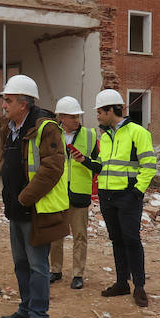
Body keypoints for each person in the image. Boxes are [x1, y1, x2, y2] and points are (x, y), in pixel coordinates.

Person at [0, 75, 69, 318]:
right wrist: (9, 199)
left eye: (8, 100)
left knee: (38, 266)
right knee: (20, 262)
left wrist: (24, 199)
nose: (3, 105)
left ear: (23, 104)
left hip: (36, 209)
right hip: (16, 208)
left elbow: (52, 169)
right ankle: (25, 309)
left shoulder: (46, 128)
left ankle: (39, 315)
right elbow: (7, 164)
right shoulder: (10, 128)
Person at [94, 88, 158, 307]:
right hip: (107, 195)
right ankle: (122, 283)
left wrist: (137, 192)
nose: (98, 115)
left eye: (100, 111)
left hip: (128, 196)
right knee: (117, 240)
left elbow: (149, 166)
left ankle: (139, 286)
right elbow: (105, 165)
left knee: (132, 240)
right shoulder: (106, 135)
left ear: (112, 110)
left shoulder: (138, 133)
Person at [49, 96, 100, 290]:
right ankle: (55, 270)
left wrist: (84, 160)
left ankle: (78, 274)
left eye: (78, 116)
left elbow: (99, 165)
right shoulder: (52, 134)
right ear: (61, 117)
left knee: (80, 236)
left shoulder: (90, 135)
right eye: (72, 116)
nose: (77, 120)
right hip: (58, 192)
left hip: (79, 194)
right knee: (55, 235)